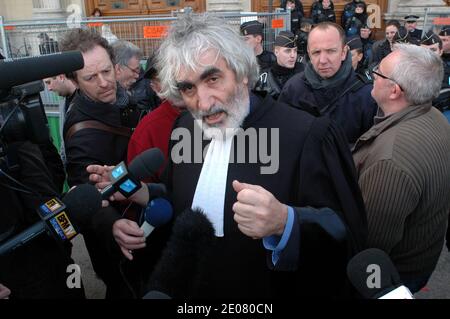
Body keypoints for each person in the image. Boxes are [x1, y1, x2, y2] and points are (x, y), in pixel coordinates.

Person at [88, 13, 367, 299]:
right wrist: (143, 192)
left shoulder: (309, 135)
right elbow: (184, 199)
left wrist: (286, 221)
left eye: (213, 78)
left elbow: (347, 234)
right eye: (188, 88)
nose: (203, 102)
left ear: (242, 71)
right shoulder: (185, 127)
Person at [352, 44, 450, 293]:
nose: (373, 74)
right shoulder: (434, 115)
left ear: (394, 90)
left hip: (394, 276)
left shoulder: (390, 162)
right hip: (422, 258)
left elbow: (370, 244)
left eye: (379, 72)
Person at [59, 28, 140, 298]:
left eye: (107, 71)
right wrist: (113, 226)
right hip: (115, 238)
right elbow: (88, 190)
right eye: (91, 77)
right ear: (75, 81)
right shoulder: (81, 130)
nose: (104, 82)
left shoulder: (122, 100)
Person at [0, 140, 84, 299]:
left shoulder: (20, 143)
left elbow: (54, 180)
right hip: (28, 274)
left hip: (52, 260)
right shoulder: (22, 147)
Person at [279, 22, 377, 145]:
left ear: (343, 52)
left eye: (330, 51)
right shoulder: (293, 89)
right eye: (316, 52)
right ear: (309, 54)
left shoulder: (367, 95)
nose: (323, 60)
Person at [254, 31, 304, 100]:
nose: (293, 55)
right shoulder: (264, 79)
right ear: (276, 52)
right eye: (288, 51)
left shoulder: (305, 73)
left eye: (295, 51)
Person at [43, 74, 77, 164]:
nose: (49, 88)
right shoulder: (63, 101)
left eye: (48, 82)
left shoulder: (85, 100)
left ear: (61, 77)